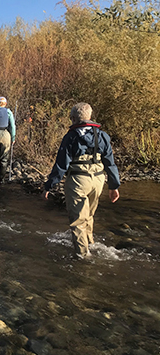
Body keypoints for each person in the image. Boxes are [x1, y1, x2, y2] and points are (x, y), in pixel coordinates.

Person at [42, 102, 120, 258]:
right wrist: (114, 186)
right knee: (89, 216)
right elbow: (110, 162)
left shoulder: (70, 137)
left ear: (73, 118)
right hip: (98, 180)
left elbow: (61, 165)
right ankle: (90, 244)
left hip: (78, 180)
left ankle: (83, 257)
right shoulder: (102, 136)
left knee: (77, 220)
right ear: (90, 116)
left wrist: (49, 185)